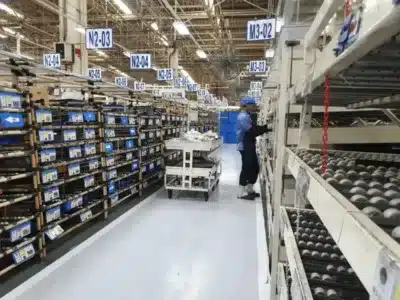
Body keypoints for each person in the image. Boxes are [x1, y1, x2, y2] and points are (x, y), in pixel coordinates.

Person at [236, 96, 270, 200]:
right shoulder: (243, 117)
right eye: (252, 104)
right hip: (245, 145)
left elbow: (253, 130)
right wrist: (266, 128)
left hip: (250, 143)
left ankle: (249, 189)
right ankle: (240, 193)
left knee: (255, 167)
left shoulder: (248, 115)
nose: (254, 106)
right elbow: (252, 131)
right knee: (246, 167)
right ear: (246, 105)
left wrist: (264, 128)